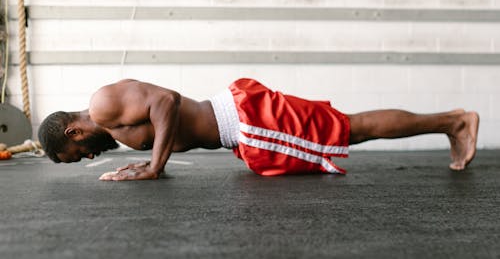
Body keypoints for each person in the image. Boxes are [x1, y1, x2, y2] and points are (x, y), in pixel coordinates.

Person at [38, 78, 479, 181]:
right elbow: (160, 123)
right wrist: (147, 160)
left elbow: (165, 102)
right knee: (350, 128)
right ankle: (451, 122)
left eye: (79, 155)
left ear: (73, 133)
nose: (89, 159)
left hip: (247, 120)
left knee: (351, 128)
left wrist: (155, 165)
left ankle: (455, 120)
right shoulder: (113, 128)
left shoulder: (102, 104)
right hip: (243, 132)